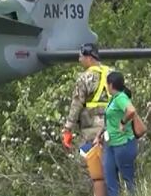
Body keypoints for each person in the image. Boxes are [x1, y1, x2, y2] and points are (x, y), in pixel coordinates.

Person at [63, 43, 111, 196]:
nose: (79, 60)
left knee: (97, 174)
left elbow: (76, 104)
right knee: (111, 170)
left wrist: (68, 129)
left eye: (81, 56)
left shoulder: (85, 78)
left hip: (92, 131)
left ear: (89, 58)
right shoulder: (112, 73)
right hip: (114, 128)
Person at [95, 71, 138, 196]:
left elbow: (131, 111)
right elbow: (108, 120)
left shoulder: (121, 98)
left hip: (123, 144)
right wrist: (99, 135)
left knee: (128, 180)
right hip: (111, 144)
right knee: (110, 179)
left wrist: (123, 122)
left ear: (111, 85)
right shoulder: (113, 99)